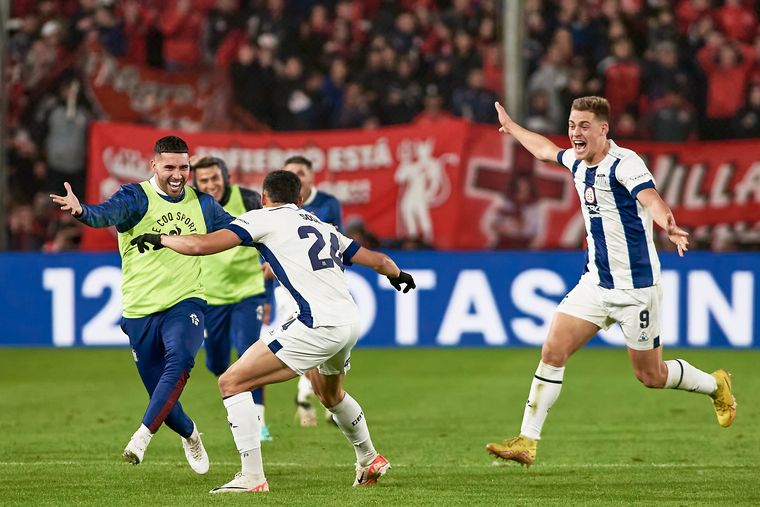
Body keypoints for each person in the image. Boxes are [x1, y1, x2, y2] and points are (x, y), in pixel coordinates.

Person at [485, 97, 737, 466]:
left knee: (650, 375)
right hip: (596, 283)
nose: (575, 133)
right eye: (572, 125)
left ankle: (716, 385)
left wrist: (666, 222)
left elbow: (650, 198)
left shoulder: (625, 163)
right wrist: (513, 128)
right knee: (553, 351)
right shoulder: (576, 162)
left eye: (583, 126)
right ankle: (527, 440)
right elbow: (545, 150)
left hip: (636, 290)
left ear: (604, 129)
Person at [130, 170, 417, 493]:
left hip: (316, 323)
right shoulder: (320, 224)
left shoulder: (262, 218)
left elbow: (201, 245)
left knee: (231, 381)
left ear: (264, 198)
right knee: (330, 394)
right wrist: (398, 275)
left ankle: (252, 477)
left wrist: (161, 238)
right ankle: (369, 458)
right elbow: (378, 260)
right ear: (300, 199)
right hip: (349, 322)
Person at [49, 136, 234, 474]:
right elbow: (104, 214)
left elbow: (241, 230)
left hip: (186, 302)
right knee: (162, 397)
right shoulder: (136, 197)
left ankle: (141, 437)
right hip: (140, 311)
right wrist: (80, 211)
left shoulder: (204, 204)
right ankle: (191, 434)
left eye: (183, 167)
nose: (178, 174)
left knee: (180, 361)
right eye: (169, 167)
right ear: (154, 166)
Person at [191, 155, 274, 441]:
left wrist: (268, 287)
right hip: (210, 296)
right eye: (204, 180)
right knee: (216, 362)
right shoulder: (192, 207)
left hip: (248, 292)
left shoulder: (249, 199)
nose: (211, 184)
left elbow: (270, 236)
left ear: (225, 176)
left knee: (249, 353)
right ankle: (237, 394)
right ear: (196, 183)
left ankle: (258, 421)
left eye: (215, 177)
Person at [280, 155, 343, 427]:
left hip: (324, 284)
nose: (297, 177)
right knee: (310, 342)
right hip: (290, 288)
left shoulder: (328, 203)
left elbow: (336, 239)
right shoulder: (280, 208)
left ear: (311, 176)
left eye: (301, 172)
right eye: (290, 173)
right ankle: (313, 396)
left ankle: (313, 396)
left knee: (331, 346)